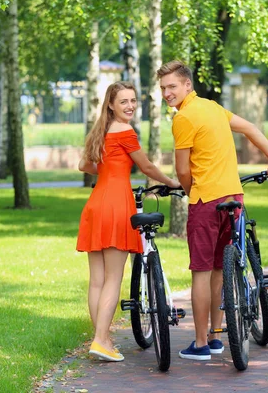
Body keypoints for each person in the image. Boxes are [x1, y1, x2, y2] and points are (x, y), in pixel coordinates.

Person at [156, 60, 268, 360]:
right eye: (162, 88)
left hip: (206, 201)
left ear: (188, 85)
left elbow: (183, 170)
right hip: (234, 198)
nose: (167, 93)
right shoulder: (213, 108)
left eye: (172, 86)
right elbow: (250, 128)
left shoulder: (183, 118)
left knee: (201, 272)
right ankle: (215, 337)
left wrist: (190, 191)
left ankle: (201, 344)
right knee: (219, 269)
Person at [77, 81, 180, 362]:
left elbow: (84, 166)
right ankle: (100, 339)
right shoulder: (125, 131)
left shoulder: (100, 131)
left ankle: (104, 340)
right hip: (115, 206)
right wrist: (172, 181)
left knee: (97, 280)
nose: (130, 106)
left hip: (95, 204)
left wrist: (107, 168)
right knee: (113, 278)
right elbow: (146, 166)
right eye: (124, 101)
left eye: (133, 100)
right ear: (111, 104)